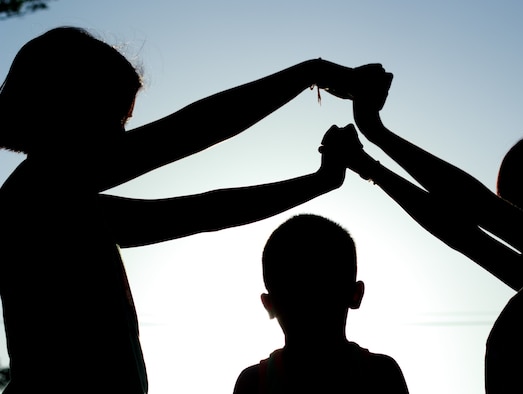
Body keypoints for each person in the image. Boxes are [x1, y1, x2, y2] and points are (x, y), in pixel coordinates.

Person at [0, 26, 390, 394]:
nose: (122, 136)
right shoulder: (35, 193)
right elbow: (193, 130)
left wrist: (320, 181)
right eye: (114, 118)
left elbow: (207, 210)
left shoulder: (62, 206)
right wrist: (313, 73)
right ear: (67, 106)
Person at [331, 90, 523, 393]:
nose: (514, 213)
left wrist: (375, 131)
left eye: (520, 204)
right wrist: (369, 166)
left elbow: (476, 209)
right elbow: (461, 231)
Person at [233, 214, 409, 394]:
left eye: (321, 287)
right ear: (356, 295)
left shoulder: (254, 383)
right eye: (297, 293)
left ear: (268, 305)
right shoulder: (381, 374)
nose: (310, 308)